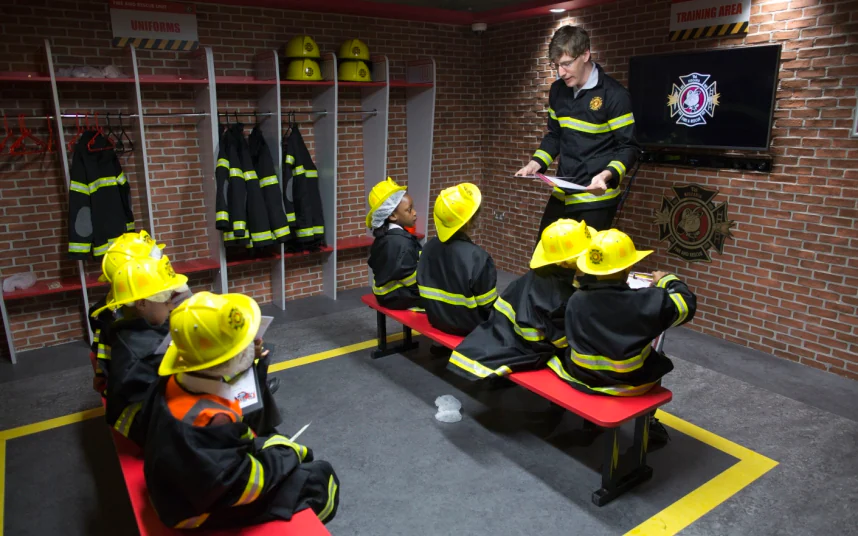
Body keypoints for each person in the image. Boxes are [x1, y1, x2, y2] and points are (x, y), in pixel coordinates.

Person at [143, 292, 339, 530]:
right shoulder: (214, 419)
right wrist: (286, 456)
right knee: (319, 478)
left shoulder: (173, 382)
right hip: (197, 512)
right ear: (225, 360)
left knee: (277, 441)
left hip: (177, 489)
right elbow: (244, 484)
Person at [546, 229, 697, 445]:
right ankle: (648, 424)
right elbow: (685, 304)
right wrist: (668, 280)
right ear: (628, 266)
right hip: (631, 383)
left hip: (581, 377)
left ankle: (591, 426)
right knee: (657, 351)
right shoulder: (644, 303)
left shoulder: (576, 299)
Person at [515, 25, 640, 237]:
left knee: (585, 268)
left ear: (585, 55)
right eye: (557, 65)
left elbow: (629, 147)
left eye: (566, 64)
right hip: (563, 193)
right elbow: (555, 135)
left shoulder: (615, 95)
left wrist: (607, 175)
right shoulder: (557, 90)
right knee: (543, 264)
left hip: (596, 201)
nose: (560, 72)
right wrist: (535, 164)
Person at [447, 219, 592, 381]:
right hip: (528, 346)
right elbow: (561, 342)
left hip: (501, 328)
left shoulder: (542, 274)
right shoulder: (559, 295)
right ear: (565, 262)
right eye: (581, 255)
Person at [90, 256, 189, 445]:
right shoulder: (136, 348)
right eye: (167, 300)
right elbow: (154, 394)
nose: (170, 305)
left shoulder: (137, 325)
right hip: (138, 421)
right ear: (142, 303)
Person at [417, 183, 497, 337]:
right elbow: (489, 307)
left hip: (436, 320)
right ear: (468, 222)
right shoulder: (478, 258)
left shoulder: (427, 248)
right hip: (469, 327)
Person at [366, 177, 422, 310]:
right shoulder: (401, 243)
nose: (414, 213)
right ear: (392, 216)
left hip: (384, 293)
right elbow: (411, 279)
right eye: (409, 210)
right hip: (396, 297)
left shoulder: (384, 236)